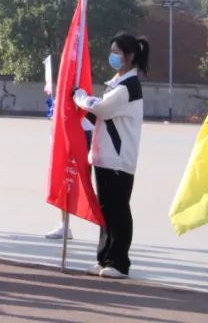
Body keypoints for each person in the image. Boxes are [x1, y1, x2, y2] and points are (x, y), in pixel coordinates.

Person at [72, 33, 149, 280]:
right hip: (104, 157)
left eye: (117, 52)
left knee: (118, 210)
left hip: (119, 160)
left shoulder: (129, 87)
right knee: (105, 210)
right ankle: (104, 257)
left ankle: (119, 262)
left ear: (130, 56)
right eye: (112, 51)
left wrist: (79, 96)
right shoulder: (116, 84)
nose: (112, 56)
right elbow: (98, 116)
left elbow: (102, 109)